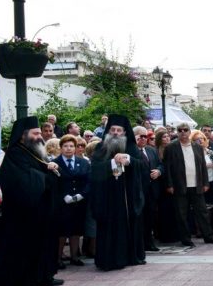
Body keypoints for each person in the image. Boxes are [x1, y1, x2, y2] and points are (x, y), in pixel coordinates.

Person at [0, 117, 63, 286]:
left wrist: (48, 170)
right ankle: (22, 282)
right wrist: (46, 172)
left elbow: (38, 171)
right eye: (35, 133)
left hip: (39, 208)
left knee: (42, 243)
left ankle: (43, 276)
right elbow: (23, 179)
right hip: (21, 212)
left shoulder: (35, 151)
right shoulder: (15, 153)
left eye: (38, 133)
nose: (39, 137)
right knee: (22, 247)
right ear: (23, 136)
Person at [90, 115, 147, 270]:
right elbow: (94, 170)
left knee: (128, 227)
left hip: (127, 198)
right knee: (108, 229)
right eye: (112, 130)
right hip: (107, 199)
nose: (115, 133)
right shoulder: (100, 147)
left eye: (119, 130)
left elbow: (143, 167)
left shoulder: (132, 148)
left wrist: (129, 160)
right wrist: (112, 163)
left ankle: (129, 257)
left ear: (124, 133)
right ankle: (108, 259)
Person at [163, 124, 213, 246]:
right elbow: (167, 168)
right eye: (180, 130)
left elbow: (203, 167)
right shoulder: (171, 147)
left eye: (185, 130)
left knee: (202, 212)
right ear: (177, 132)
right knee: (182, 214)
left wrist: (205, 183)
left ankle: (208, 236)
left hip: (197, 185)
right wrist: (169, 185)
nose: (183, 132)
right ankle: (186, 239)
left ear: (189, 132)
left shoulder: (197, 147)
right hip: (179, 186)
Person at [53, 135, 90, 266]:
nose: (69, 149)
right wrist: (64, 196)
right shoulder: (55, 163)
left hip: (79, 202)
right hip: (62, 204)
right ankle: (57, 258)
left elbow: (88, 182)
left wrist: (81, 195)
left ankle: (74, 257)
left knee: (76, 230)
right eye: (65, 146)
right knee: (62, 231)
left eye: (71, 146)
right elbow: (54, 183)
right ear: (61, 148)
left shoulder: (84, 162)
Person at [135, 126, 163, 251]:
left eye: (145, 136)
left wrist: (158, 171)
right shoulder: (131, 151)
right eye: (140, 136)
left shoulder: (151, 150)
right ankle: (140, 243)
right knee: (139, 219)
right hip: (138, 191)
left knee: (150, 217)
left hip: (152, 190)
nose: (143, 139)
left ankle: (149, 241)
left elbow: (161, 164)